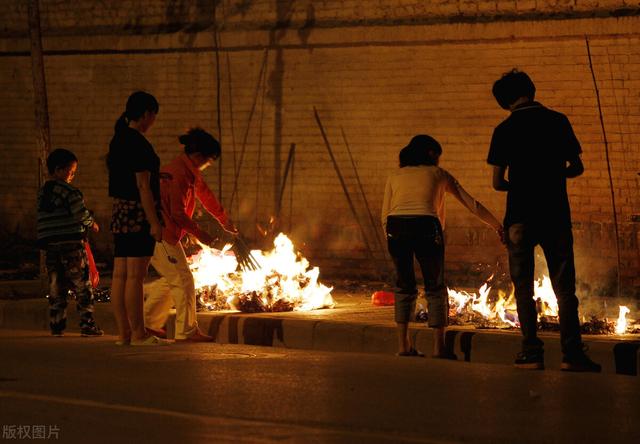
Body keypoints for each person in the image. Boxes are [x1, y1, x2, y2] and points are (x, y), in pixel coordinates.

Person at [488, 69, 600, 372]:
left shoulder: (504, 129)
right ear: (532, 90)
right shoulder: (558, 121)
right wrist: (553, 175)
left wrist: (523, 183)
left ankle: (531, 352)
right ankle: (571, 354)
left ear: (504, 101)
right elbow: (576, 167)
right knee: (565, 288)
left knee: (523, 287)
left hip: (519, 217)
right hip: (555, 216)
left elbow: (498, 182)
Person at [382, 135, 503, 359]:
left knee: (403, 285)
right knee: (434, 286)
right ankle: (439, 348)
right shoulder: (439, 174)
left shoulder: (395, 175)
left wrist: (391, 238)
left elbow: (385, 213)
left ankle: (403, 345)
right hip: (426, 226)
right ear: (430, 154)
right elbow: (472, 204)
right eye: (437, 155)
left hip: (395, 226)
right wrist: (498, 226)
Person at [144, 128, 237, 342]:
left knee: (172, 278)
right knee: (184, 279)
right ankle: (186, 331)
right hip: (163, 234)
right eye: (209, 161)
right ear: (199, 156)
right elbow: (177, 212)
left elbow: (205, 194)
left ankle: (148, 323)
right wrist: (201, 235)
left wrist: (224, 220)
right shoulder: (179, 174)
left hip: (165, 233)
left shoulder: (187, 171)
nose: (208, 165)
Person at [107, 91, 168, 346]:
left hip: (121, 211)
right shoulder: (139, 143)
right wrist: (154, 222)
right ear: (146, 114)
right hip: (138, 213)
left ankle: (125, 334)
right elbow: (143, 186)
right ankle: (140, 333)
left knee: (120, 275)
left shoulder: (118, 139)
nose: (153, 121)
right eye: (153, 115)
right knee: (135, 276)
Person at [37, 148, 103, 337]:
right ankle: (87, 325)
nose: (72, 176)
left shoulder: (43, 192)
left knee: (57, 286)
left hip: (51, 247)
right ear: (58, 170)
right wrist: (92, 222)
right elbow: (80, 214)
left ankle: (57, 325)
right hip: (71, 246)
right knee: (83, 285)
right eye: (70, 171)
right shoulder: (71, 192)